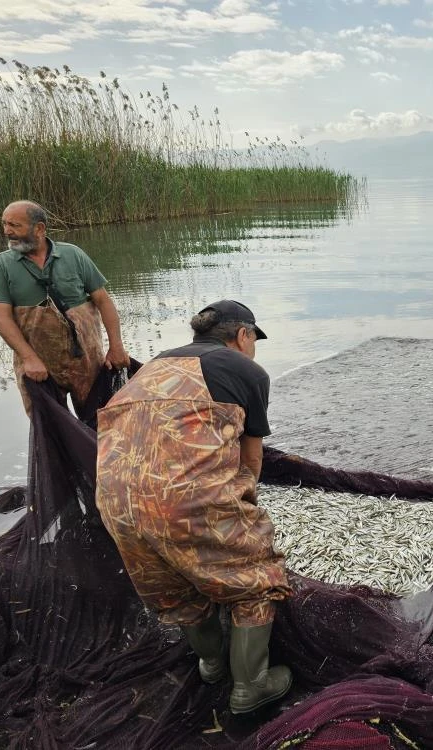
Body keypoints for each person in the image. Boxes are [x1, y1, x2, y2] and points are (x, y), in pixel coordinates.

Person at [94, 300, 293, 714]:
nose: (254, 348)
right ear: (243, 335)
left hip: (116, 503)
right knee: (256, 579)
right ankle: (250, 687)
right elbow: (250, 462)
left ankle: (211, 665)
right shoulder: (247, 372)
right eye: (254, 339)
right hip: (184, 500)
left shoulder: (150, 369)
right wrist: (243, 527)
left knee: (177, 591)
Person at [0, 200, 130, 417]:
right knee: (50, 433)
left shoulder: (73, 255)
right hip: (39, 368)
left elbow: (103, 301)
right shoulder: (1, 265)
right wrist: (29, 358)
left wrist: (116, 346)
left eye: (15, 225)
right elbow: (1, 318)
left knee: (103, 424)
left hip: (87, 363)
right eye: (5, 224)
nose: (7, 231)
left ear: (40, 228)